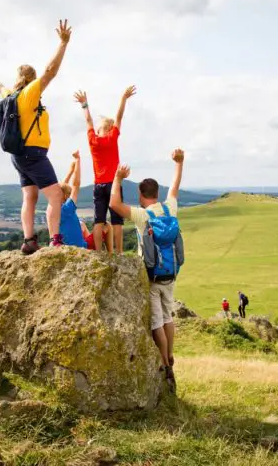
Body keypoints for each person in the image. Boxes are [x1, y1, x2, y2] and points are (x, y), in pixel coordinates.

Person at [0, 19, 72, 254]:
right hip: (34, 153)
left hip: (18, 154)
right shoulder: (30, 94)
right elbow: (50, 72)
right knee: (56, 194)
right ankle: (55, 240)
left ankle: (29, 240)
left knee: (29, 196)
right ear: (31, 79)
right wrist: (63, 44)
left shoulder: (11, 95)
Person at [109, 148, 184, 393]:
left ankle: (164, 362)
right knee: (168, 316)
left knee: (156, 322)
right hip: (170, 274)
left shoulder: (142, 215)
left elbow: (114, 204)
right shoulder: (170, 208)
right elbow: (175, 187)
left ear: (142, 195)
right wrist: (179, 163)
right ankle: (171, 354)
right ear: (157, 194)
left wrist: (118, 178)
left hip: (150, 276)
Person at [73, 85, 137, 253]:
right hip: (114, 185)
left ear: (100, 129)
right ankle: (119, 252)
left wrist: (84, 104)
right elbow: (119, 116)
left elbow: (88, 121)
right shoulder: (112, 138)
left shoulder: (93, 140)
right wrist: (123, 98)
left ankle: (99, 253)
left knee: (98, 221)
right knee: (116, 221)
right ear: (110, 129)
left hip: (99, 186)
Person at [58, 151, 87, 249]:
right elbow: (76, 184)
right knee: (106, 226)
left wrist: (71, 171)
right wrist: (78, 160)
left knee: (81, 224)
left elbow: (62, 187)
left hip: (67, 248)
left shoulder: (55, 210)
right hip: (80, 249)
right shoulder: (67, 209)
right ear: (66, 197)